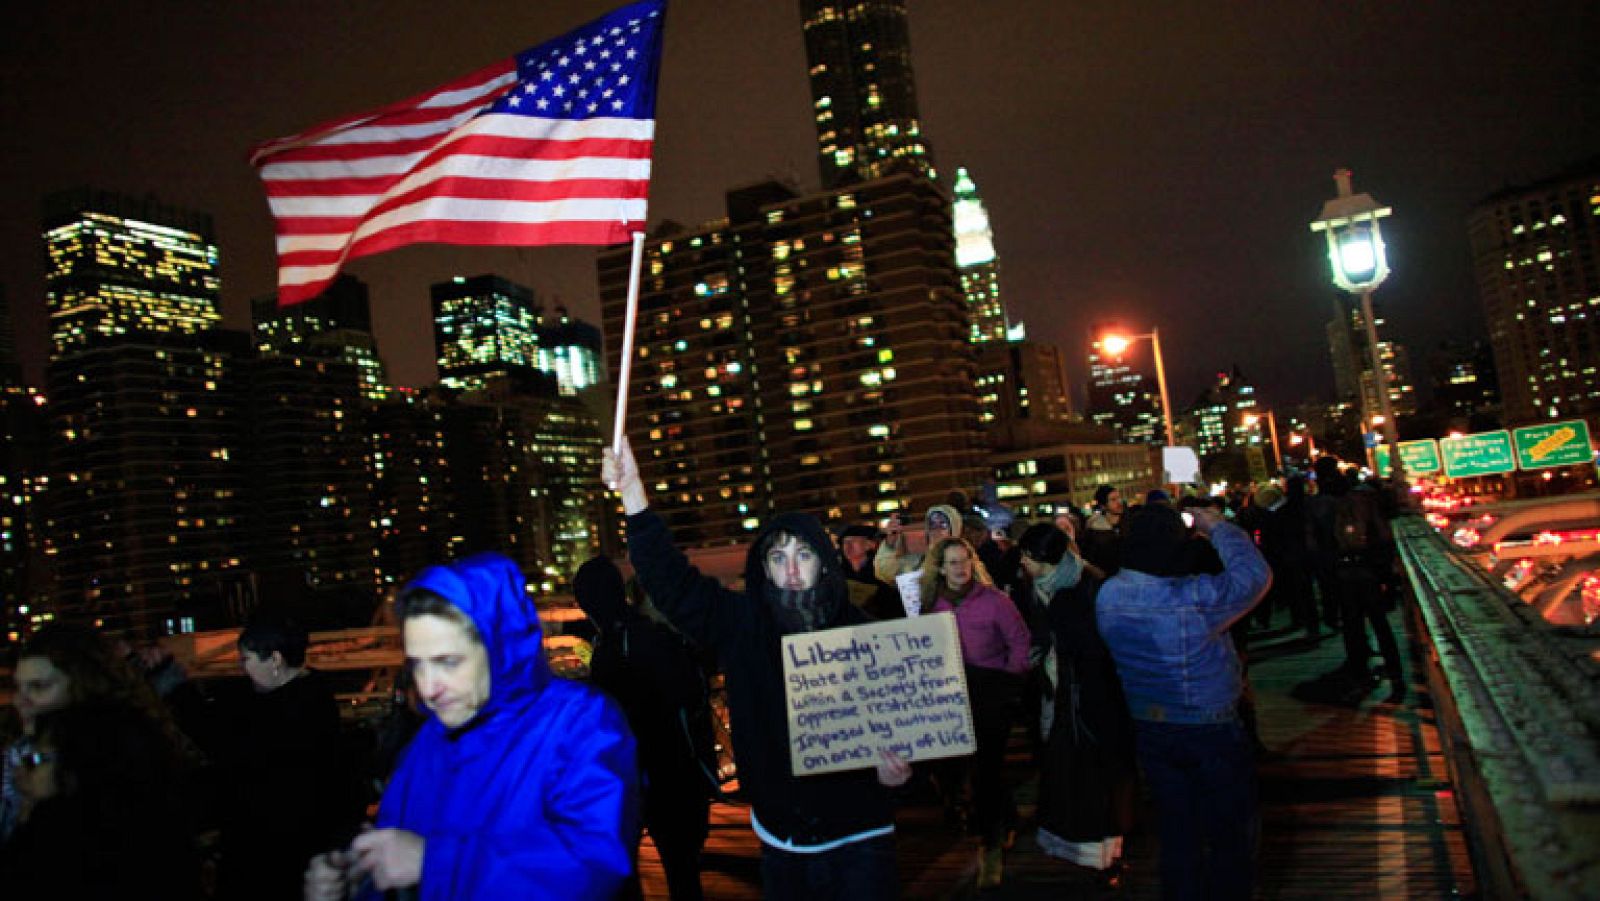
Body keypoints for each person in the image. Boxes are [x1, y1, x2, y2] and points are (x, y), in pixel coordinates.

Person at [604, 437, 911, 901]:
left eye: (803, 555)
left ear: (823, 565)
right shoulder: (741, 623)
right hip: (780, 839)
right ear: (763, 567)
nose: (791, 570)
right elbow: (671, 582)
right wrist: (634, 497)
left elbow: (910, 720)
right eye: (777, 557)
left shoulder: (862, 631)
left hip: (860, 836)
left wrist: (901, 771)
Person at [304, 552, 639, 900]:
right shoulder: (428, 743)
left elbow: (593, 868)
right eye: (418, 665)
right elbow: (398, 860)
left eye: (448, 661)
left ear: (500, 647)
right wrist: (356, 883)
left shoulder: (579, 722)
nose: (429, 688)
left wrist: (433, 864)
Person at [1096, 503, 1271, 901]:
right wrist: (1218, 527)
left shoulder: (1108, 595)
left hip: (1150, 726)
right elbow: (1254, 576)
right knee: (1229, 833)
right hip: (1210, 725)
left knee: (1177, 830)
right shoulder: (1194, 596)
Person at [575, 555, 719, 901]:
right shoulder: (640, 634)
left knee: (634, 871)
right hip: (671, 777)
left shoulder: (618, 643)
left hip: (651, 778)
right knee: (681, 873)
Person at [1018, 523, 1136, 877]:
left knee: (1095, 776)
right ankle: (1089, 847)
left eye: (1026, 555)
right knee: (1074, 775)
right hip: (1061, 695)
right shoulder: (1043, 586)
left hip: (1090, 698)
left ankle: (1105, 850)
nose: (1021, 562)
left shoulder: (1080, 589)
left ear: (1042, 559)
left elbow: (1091, 647)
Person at [2, 623, 187, 845]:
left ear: (81, 683)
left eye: (39, 686)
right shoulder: (22, 752)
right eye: (19, 687)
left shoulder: (117, 755)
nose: (20, 701)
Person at [0, 699, 199, 898]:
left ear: (77, 768)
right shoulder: (164, 833)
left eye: (35, 760)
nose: (19, 771)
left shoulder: (56, 837)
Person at [217, 613, 353, 900]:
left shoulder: (279, 718)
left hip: (276, 855)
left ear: (275, 659)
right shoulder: (312, 703)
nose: (241, 668)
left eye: (246, 659)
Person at [921, 536, 1031, 889]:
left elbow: (1019, 640)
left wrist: (1010, 681)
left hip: (989, 689)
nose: (959, 568)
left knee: (987, 766)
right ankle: (1002, 816)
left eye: (964, 560)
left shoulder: (994, 600)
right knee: (957, 765)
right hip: (951, 692)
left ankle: (991, 843)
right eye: (952, 562)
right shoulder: (930, 604)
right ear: (940, 567)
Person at [1307, 458, 1404, 703]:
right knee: (1380, 624)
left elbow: (1316, 544)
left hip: (1343, 572)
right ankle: (1396, 676)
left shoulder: (1319, 505)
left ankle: (1360, 671)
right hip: (1368, 569)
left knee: (1353, 625)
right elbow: (1382, 534)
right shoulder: (1363, 499)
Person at [874, 503, 963, 584]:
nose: (936, 529)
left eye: (943, 524)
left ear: (953, 531)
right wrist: (891, 540)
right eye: (932, 524)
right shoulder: (916, 563)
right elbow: (884, 572)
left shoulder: (964, 561)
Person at [837, 524, 904, 620]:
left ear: (869, 545)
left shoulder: (881, 570)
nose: (848, 546)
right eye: (845, 542)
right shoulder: (838, 575)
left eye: (853, 541)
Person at [1080, 485, 1126, 574]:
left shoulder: (1129, 522)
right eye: (1113, 500)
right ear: (1103, 506)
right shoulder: (1095, 530)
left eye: (1119, 498)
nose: (1119, 502)